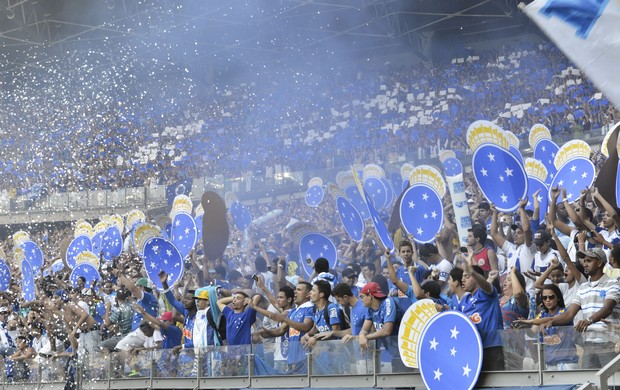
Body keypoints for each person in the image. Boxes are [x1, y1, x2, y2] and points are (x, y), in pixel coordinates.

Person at [516, 248, 620, 369]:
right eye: (584, 260)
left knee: (613, 384)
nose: (585, 264)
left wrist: (588, 320)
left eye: (589, 260)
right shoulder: (583, 287)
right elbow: (569, 314)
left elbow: (607, 308)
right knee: (590, 384)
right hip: (588, 344)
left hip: (610, 342)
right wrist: (551, 322)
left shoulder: (613, 283)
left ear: (600, 262)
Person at [457, 251, 504, 371]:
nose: (463, 280)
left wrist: (472, 271)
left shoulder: (486, 293)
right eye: (462, 277)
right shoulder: (464, 300)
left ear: (477, 278)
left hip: (492, 346)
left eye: (467, 277)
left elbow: (486, 285)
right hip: (474, 349)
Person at [515, 284, 579, 370]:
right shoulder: (542, 314)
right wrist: (526, 327)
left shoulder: (565, 313)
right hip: (549, 364)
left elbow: (550, 319)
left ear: (558, 298)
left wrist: (530, 321)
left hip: (566, 362)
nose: (548, 300)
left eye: (551, 297)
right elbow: (532, 333)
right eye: (545, 298)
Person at [358, 282, 406, 373]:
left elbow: (386, 331)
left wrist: (366, 337)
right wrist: (361, 336)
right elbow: (364, 329)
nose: (361, 300)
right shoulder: (370, 309)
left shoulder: (388, 302)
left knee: (403, 385)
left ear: (370, 296)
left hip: (404, 351)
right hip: (393, 352)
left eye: (362, 296)